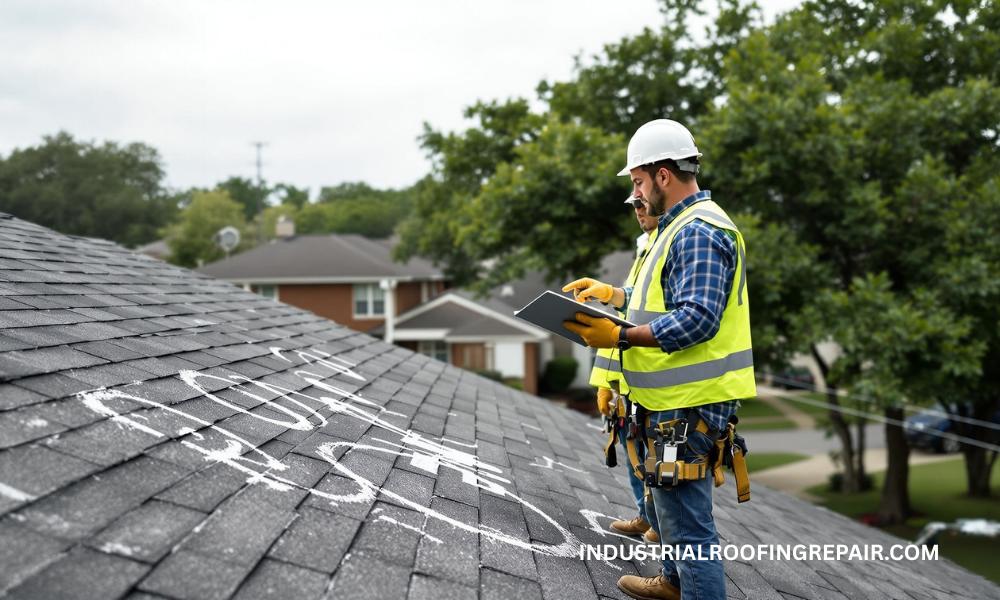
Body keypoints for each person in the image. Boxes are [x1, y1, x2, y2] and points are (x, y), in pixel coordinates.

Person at [563, 118, 755, 600]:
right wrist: (613, 295)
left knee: (691, 529)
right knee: (669, 507)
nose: (637, 193)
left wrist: (622, 336)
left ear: (663, 175)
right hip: (673, 401)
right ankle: (672, 583)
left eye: (638, 181)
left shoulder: (698, 231)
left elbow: (698, 319)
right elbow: (664, 298)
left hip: (690, 407)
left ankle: (685, 584)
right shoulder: (677, 229)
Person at [590, 195, 660, 543]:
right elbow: (621, 321)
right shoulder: (644, 252)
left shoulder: (668, 247)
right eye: (635, 206)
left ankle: (660, 525)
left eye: (644, 204)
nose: (639, 211)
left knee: (657, 459)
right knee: (633, 446)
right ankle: (646, 517)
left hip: (656, 379)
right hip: (629, 379)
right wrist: (605, 383)